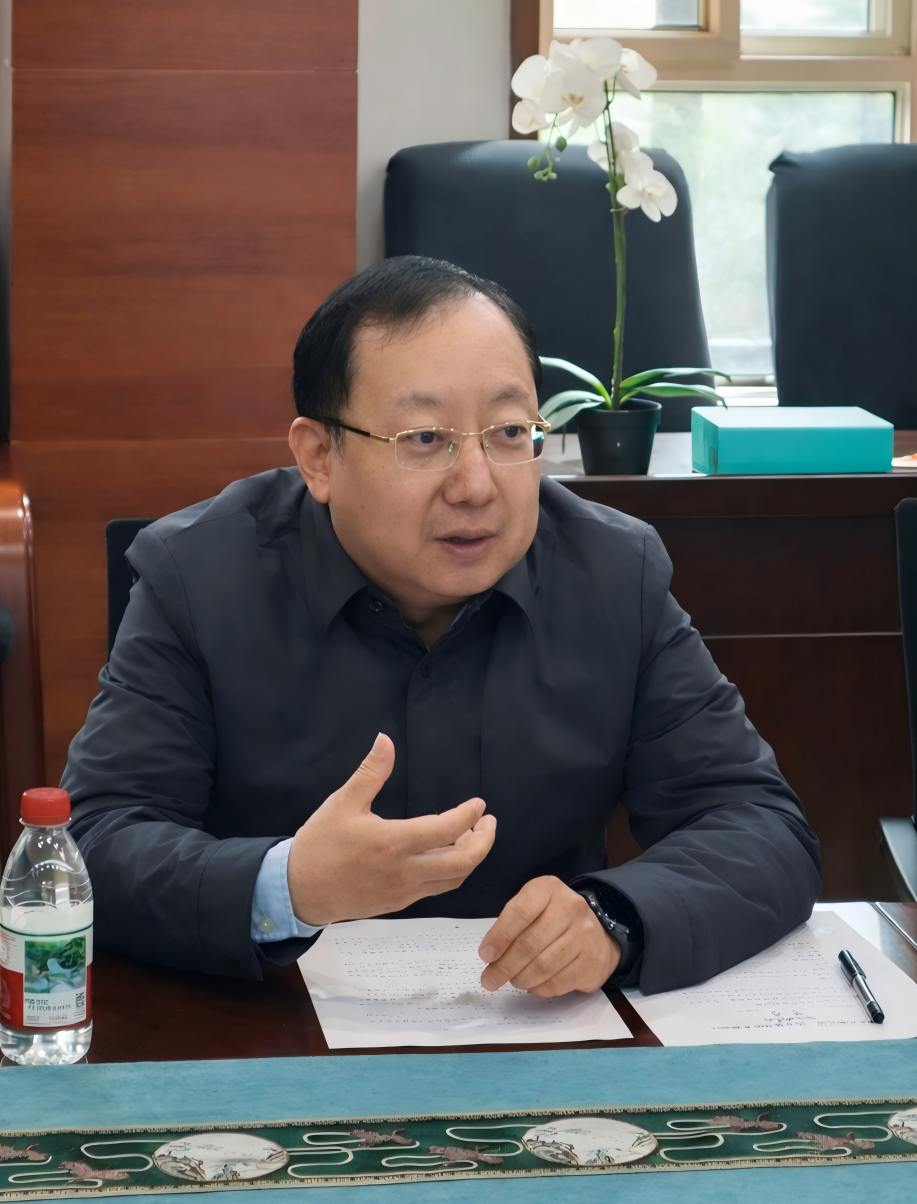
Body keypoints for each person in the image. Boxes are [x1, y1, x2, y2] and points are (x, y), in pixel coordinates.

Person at [62, 255, 821, 997]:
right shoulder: (198, 577)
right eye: (425, 439)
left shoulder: (615, 574)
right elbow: (91, 844)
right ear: (319, 457)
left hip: (533, 1026)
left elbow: (757, 824)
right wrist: (288, 887)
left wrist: (614, 916)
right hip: (268, 1022)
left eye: (509, 432)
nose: (476, 485)